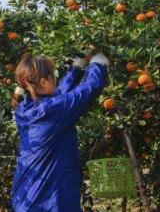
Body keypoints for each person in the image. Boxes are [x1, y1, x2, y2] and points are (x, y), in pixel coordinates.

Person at [11, 53, 109, 212]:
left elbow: (58, 95)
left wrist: (76, 69)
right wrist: (98, 63)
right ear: (43, 82)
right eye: (54, 75)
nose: (56, 79)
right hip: (49, 201)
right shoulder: (50, 111)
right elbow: (88, 90)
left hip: (27, 198)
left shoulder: (27, 107)